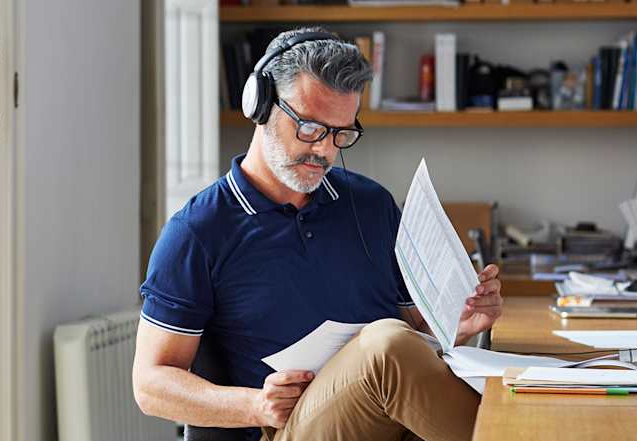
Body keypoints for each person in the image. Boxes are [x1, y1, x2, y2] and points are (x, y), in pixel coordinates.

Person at [131, 26, 504, 441]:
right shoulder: (197, 232)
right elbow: (151, 385)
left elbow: (415, 336)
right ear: (262, 105)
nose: (326, 150)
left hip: (391, 424)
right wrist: (254, 405)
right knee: (384, 345)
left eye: (341, 134)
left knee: (519, 389)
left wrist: (458, 323)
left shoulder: (372, 205)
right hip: (286, 430)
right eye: (310, 128)